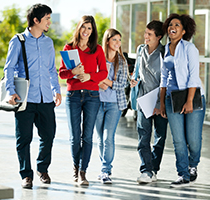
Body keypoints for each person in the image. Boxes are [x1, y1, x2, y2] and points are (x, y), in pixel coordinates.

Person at [4, 4, 62, 189]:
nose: (49, 22)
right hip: (25, 99)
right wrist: (11, 91)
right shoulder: (18, 41)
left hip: (46, 98)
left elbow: (52, 69)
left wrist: (56, 90)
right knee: (24, 138)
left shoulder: (48, 42)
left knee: (49, 135)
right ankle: (26, 175)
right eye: (46, 18)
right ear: (35, 20)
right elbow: (9, 68)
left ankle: (42, 169)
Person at [59, 15, 108, 186]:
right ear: (78, 28)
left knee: (87, 136)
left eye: (89, 28)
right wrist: (73, 72)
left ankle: (83, 173)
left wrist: (89, 76)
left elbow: (104, 73)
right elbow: (62, 73)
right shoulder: (69, 48)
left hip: (92, 96)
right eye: (83, 27)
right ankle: (75, 168)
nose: (86, 31)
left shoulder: (97, 49)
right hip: (73, 96)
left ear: (92, 31)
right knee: (74, 137)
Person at [160, 14, 206, 188]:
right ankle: (183, 174)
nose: (173, 27)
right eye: (170, 24)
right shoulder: (165, 49)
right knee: (178, 140)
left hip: (192, 97)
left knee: (193, 139)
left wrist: (189, 101)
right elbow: (164, 78)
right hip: (172, 98)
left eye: (177, 25)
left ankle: (193, 165)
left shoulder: (189, 48)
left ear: (184, 30)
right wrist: (162, 102)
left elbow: (194, 76)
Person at [130, 20, 168, 184]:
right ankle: (146, 170)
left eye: (150, 34)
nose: (146, 37)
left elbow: (167, 79)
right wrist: (134, 80)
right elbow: (137, 71)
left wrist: (159, 104)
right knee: (143, 137)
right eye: (145, 33)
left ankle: (153, 169)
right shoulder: (140, 49)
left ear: (159, 37)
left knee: (159, 137)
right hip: (143, 100)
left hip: (159, 101)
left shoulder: (165, 52)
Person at [95, 28, 128, 184]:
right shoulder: (97, 57)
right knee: (100, 138)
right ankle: (103, 167)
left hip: (114, 103)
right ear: (107, 41)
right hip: (96, 102)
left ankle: (105, 170)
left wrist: (106, 81)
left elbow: (122, 84)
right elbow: (92, 77)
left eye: (119, 40)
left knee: (109, 138)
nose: (117, 43)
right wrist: (98, 82)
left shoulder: (121, 61)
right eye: (114, 39)